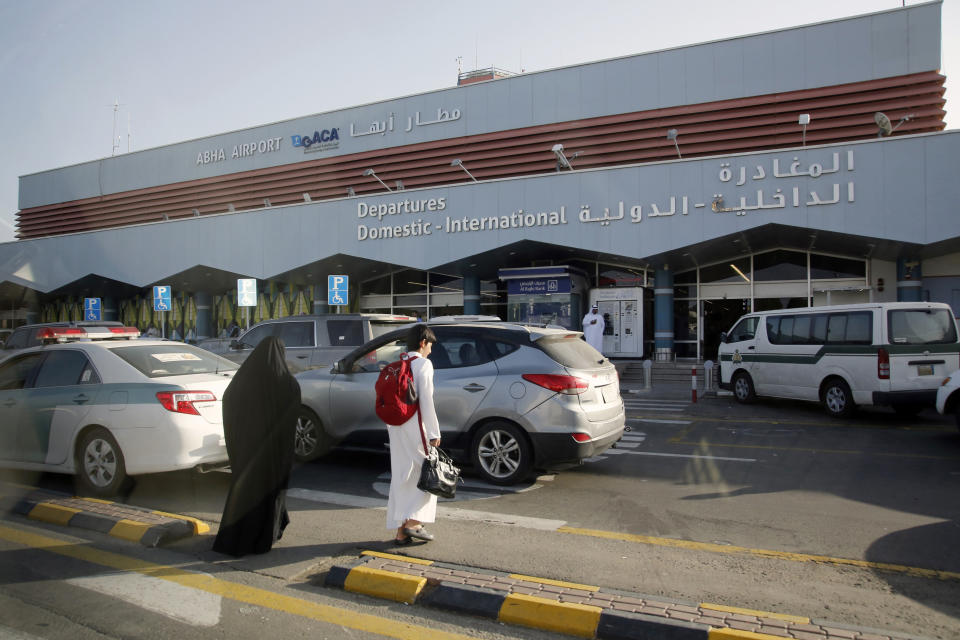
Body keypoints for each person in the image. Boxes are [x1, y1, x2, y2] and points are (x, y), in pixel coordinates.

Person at [213, 336, 300, 557]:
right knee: (270, 493)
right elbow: (292, 420)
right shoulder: (288, 383)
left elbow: (229, 404)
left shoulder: (241, 382)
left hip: (247, 451)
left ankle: (236, 537)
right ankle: (264, 537)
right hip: (274, 454)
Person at [387, 324, 441, 545]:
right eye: (429, 345)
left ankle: (401, 530)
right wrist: (433, 432)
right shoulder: (423, 364)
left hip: (395, 426)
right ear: (422, 342)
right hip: (415, 426)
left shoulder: (397, 363)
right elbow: (426, 400)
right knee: (426, 475)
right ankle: (413, 523)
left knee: (402, 477)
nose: (430, 350)